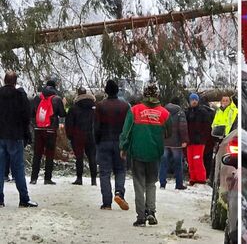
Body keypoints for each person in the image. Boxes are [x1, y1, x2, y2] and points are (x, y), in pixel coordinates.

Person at [119, 83, 171, 227]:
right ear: (157, 95)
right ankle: (151, 212)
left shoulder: (134, 110)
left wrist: (123, 147)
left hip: (137, 152)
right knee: (151, 184)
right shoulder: (165, 113)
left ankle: (141, 216)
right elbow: (168, 132)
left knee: (139, 184)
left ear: (144, 95)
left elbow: (126, 132)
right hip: (155, 153)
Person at [0, 71, 37, 208]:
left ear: (4, 81)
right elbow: (26, 116)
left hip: (0, 135)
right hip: (15, 136)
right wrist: (26, 134)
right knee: (18, 168)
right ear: (15, 82)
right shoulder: (20, 96)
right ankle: (23, 198)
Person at [95, 80, 130, 210]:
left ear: (106, 91)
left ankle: (106, 202)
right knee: (120, 170)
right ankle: (119, 193)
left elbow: (96, 127)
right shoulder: (125, 106)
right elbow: (128, 126)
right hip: (120, 142)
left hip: (104, 141)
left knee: (104, 173)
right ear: (117, 91)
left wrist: (97, 140)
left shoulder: (100, 106)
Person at [30, 79, 66, 185]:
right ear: (54, 88)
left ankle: (33, 178)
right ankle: (47, 178)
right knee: (50, 153)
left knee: (37, 154)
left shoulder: (37, 98)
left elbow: (32, 113)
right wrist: (63, 105)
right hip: (50, 130)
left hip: (38, 130)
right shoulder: (57, 99)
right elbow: (62, 114)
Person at [65, 87, 97, 186]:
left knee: (79, 157)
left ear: (78, 95)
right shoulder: (94, 108)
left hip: (78, 135)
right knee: (92, 157)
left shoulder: (74, 108)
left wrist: (70, 136)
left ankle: (79, 178)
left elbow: (69, 123)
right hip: (91, 135)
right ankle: (93, 180)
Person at [159, 97, 189, 190]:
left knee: (163, 163)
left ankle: (162, 183)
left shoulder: (163, 111)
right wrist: (184, 140)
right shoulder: (180, 112)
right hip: (176, 143)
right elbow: (182, 127)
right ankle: (178, 184)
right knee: (178, 163)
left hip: (164, 141)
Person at [185, 93, 212, 185]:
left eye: (195, 100)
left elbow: (207, 126)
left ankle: (201, 178)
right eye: (192, 100)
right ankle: (193, 178)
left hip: (199, 141)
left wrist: (203, 138)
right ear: (189, 101)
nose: (194, 101)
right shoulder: (187, 112)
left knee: (198, 160)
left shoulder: (202, 112)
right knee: (190, 161)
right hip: (189, 140)